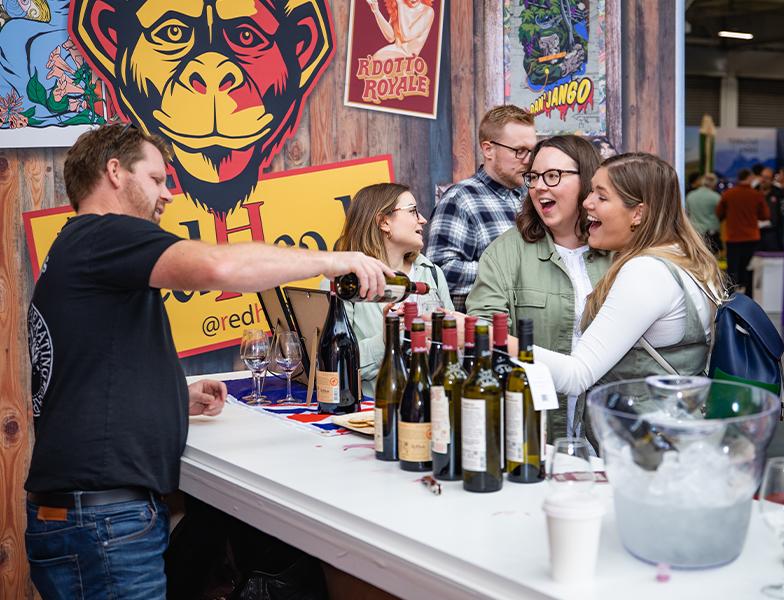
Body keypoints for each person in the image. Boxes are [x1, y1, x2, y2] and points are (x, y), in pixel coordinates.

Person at [25, 123, 392, 599]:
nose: (168, 195)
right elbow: (223, 268)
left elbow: (84, 370)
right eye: (157, 179)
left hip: (84, 513)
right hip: (103, 520)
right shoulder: (105, 233)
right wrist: (333, 261)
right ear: (114, 172)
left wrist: (173, 397)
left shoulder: (77, 246)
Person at [530, 153, 725, 405]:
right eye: (590, 192)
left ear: (638, 214)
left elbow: (576, 376)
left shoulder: (647, 272)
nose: (587, 203)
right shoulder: (684, 257)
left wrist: (494, 340)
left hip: (647, 439)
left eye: (601, 196)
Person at [466, 135, 612, 439]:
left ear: (587, 182)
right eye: (533, 177)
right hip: (533, 430)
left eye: (553, 175)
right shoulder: (506, 252)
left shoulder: (618, 252)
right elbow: (485, 333)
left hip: (607, 430)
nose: (539, 186)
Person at [334, 182, 453, 397]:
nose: (423, 219)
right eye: (413, 211)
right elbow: (334, 366)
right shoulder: (344, 282)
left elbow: (455, 348)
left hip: (433, 407)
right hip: (373, 414)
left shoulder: (433, 274)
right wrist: (387, 339)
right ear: (384, 222)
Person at [427, 105, 537, 311]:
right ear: (488, 149)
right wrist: (516, 273)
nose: (529, 160)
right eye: (519, 151)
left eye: (532, 151)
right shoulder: (460, 199)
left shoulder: (533, 195)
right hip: (482, 333)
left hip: (529, 333)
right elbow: (440, 272)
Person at [716, 168, 770, 297]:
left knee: (732, 268)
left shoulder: (728, 194)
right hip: (751, 237)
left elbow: (719, 213)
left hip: (733, 237)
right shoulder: (756, 195)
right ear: (750, 178)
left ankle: (730, 296)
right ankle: (749, 296)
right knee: (749, 268)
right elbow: (765, 215)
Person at [366, 0, 435, 60]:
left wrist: (400, 4)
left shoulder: (428, 11)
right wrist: (376, 11)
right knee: (374, 61)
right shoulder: (400, 7)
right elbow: (390, 37)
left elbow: (406, 36)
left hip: (408, 58)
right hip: (394, 52)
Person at [685, 172, 722, 254]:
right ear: (714, 183)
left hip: (694, 233)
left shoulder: (690, 196)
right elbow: (721, 214)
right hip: (711, 235)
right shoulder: (716, 197)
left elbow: (686, 213)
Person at [759, 167, 784, 251]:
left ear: (772, 180)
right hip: (756, 234)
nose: (763, 180)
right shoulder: (753, 192)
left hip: (773, 235)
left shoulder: (779, 193)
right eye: (762, 177)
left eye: (767, 178)